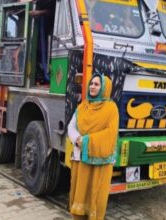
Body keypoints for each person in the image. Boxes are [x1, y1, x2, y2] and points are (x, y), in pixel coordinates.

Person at [68, 73, 119, 220]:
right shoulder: (83, 106)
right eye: (91, 83)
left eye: (97, 84)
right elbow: (71, 126)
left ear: (104, 88)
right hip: (81, 158)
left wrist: (86, 141)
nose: (92, 86)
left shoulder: (111, 108)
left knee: (97, 196)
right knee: (80, 192)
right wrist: (77, 139)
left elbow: (111, 133)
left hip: (101, 162)